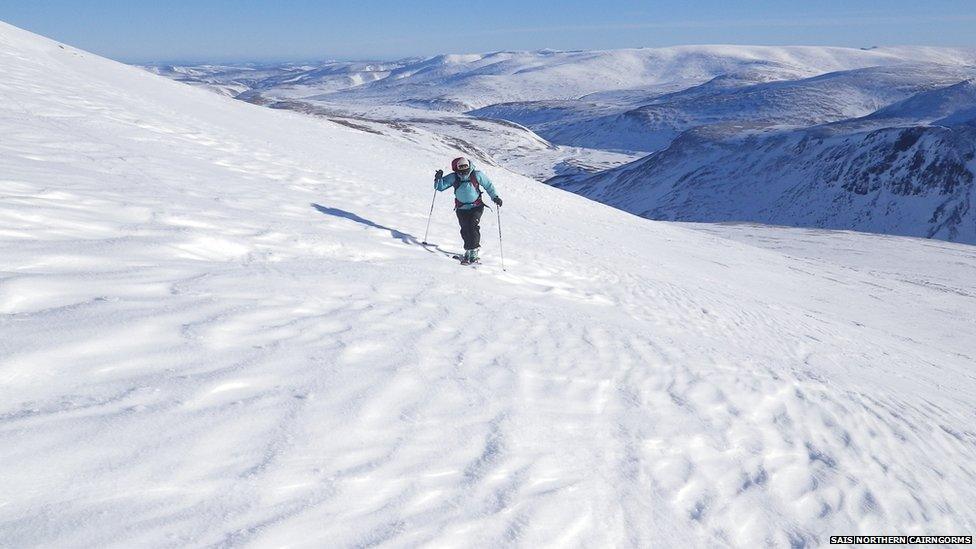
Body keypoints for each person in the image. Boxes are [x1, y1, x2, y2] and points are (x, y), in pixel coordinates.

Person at [435, 156, 502, 264]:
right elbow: (440, 187)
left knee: (472, 226)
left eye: (465, 166)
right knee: (465, 229)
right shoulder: (454, 177)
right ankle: (468, 251)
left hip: (476, 206)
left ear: (469, 165)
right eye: (461, 167)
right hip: (461, 208)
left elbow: (488, 185)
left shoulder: (477, 175)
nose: (463, 168)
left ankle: (474, 252)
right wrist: (438, 179)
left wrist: (495, 197)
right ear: (457, 167)